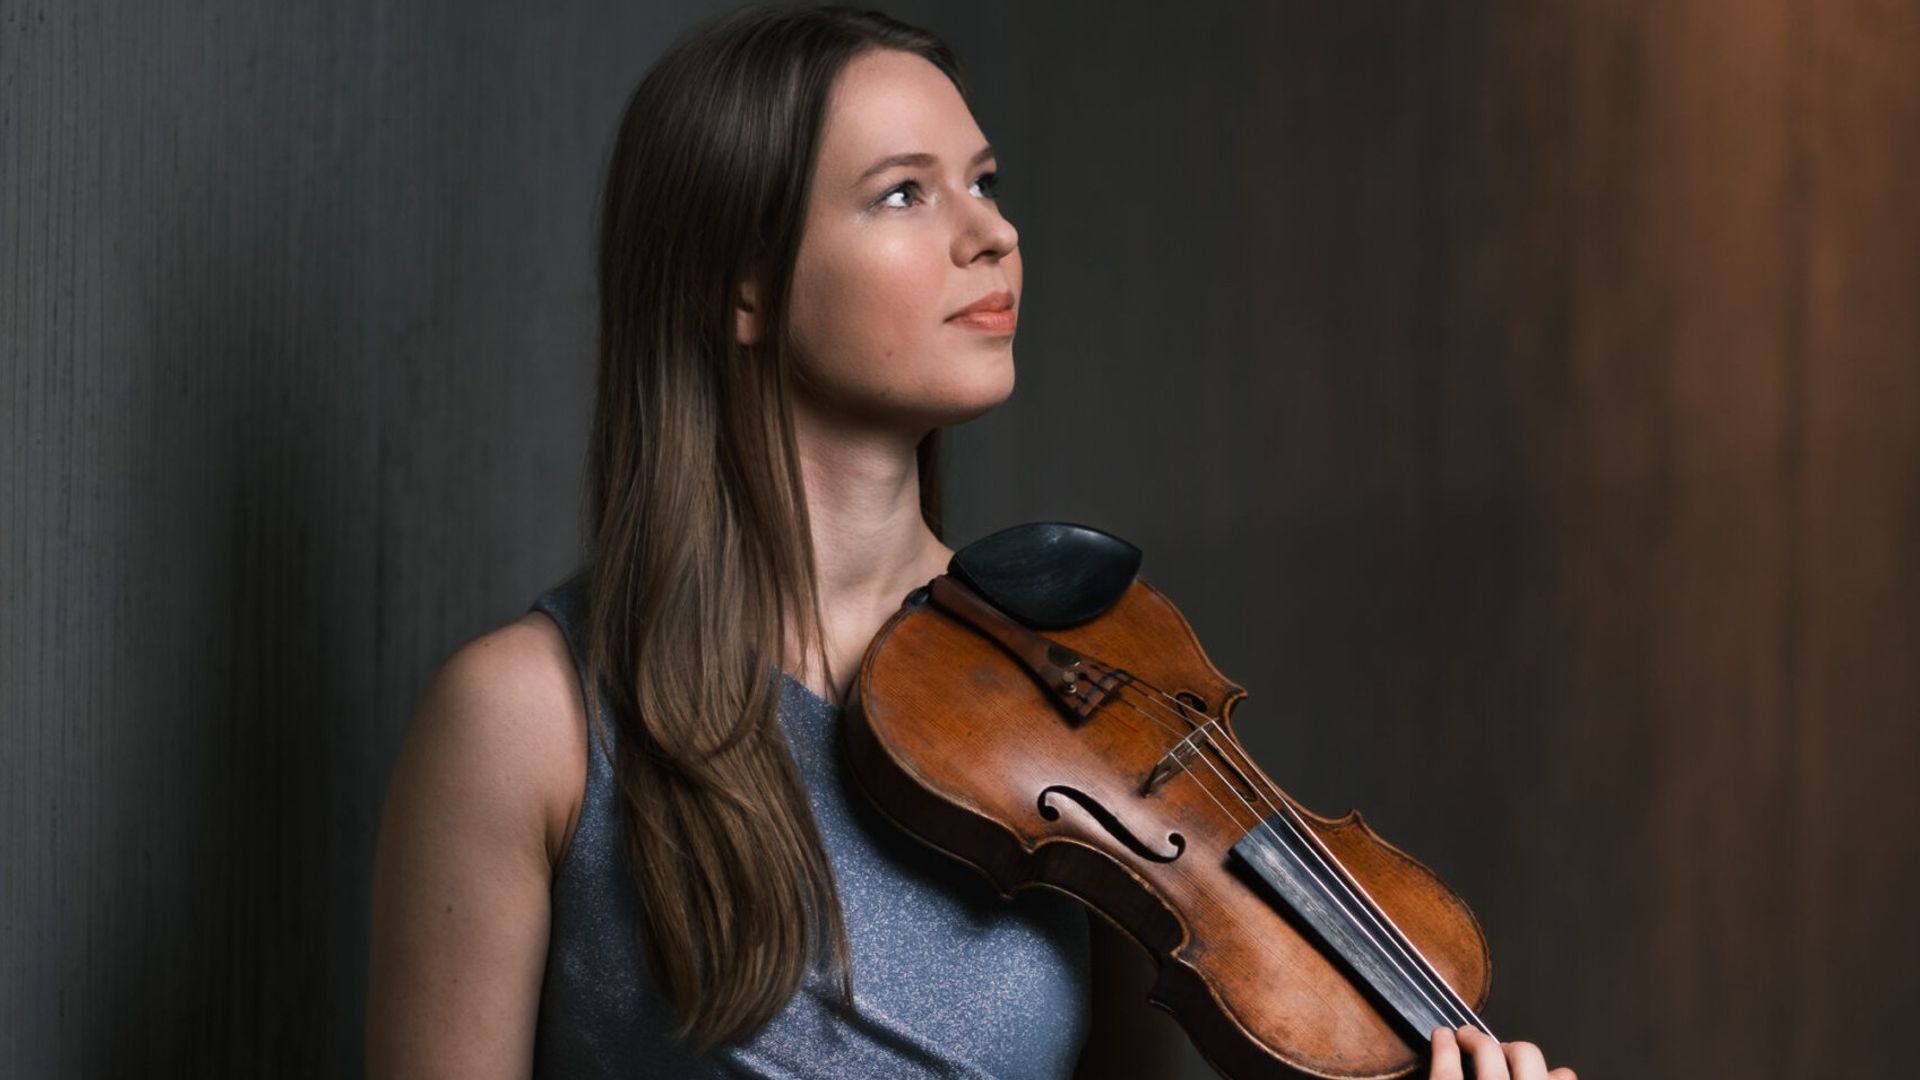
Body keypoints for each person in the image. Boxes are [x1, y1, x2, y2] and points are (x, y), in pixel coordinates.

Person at [366, 6, 1576, 1079]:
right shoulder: (527, 719)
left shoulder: (1087, 687)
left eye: (985, 182)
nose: (991, 234)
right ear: (736, 285)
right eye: (904, 193)